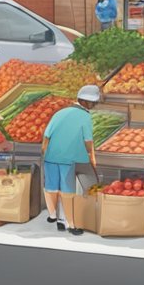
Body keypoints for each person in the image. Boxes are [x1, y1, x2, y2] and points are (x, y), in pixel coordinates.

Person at [41, 84, 99, 236]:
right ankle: (71, 225)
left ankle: (55, 217)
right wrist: (92, 157)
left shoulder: (60, 112)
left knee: (52, 187)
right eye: (94, 103)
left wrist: (45, 153)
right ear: (88, 103)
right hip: (69, 159)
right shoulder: (85, 117)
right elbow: (88, 140)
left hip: (51, 157)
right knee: (68, 191)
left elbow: (46, 135)